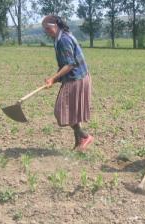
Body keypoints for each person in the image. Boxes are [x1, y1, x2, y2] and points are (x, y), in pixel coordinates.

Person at [42, 15, 94, 151]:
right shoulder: (61, 37)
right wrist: (54, 79)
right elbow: (65, 64)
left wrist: (53, 78)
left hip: (76, 78)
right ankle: (78, 144)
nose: (47, 31)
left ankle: (84, 136)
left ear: (56, 25)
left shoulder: (63, 40)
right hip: (76, 77)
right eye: (45, 30)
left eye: (48, 28)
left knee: (61, 111)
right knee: (72, 112)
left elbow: (70, 64)